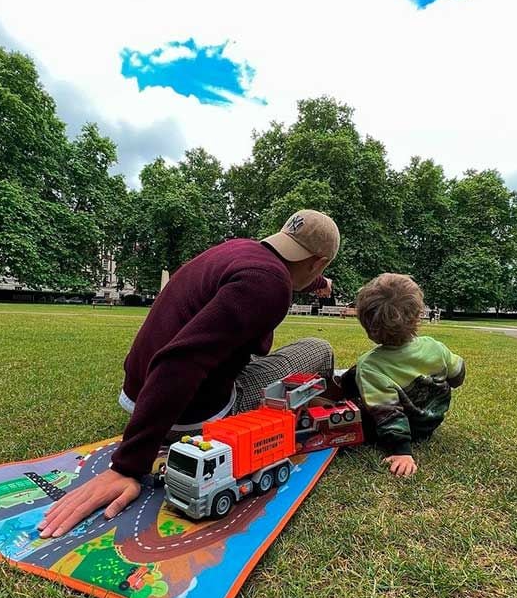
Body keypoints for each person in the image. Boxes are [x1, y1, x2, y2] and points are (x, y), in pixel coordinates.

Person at [39, 210, 340, 538]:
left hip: (139, 391)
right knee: (318, 348)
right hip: (188, 412)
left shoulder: (239, 251)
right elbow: (180, 361)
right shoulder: (269, 283)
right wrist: (127, 465)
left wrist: (318, 283)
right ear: (319, 261)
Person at [340, 274, 465, 478]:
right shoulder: (435, 348)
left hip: (401, 429)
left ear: (367, 326)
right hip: (430, 422)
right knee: (355, 375)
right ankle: (348, 382)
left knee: (349, 412)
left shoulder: (370, 365)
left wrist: (401, 451)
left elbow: (387, 413)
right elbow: (458, 375)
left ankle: (344, 388)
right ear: (417, 316)